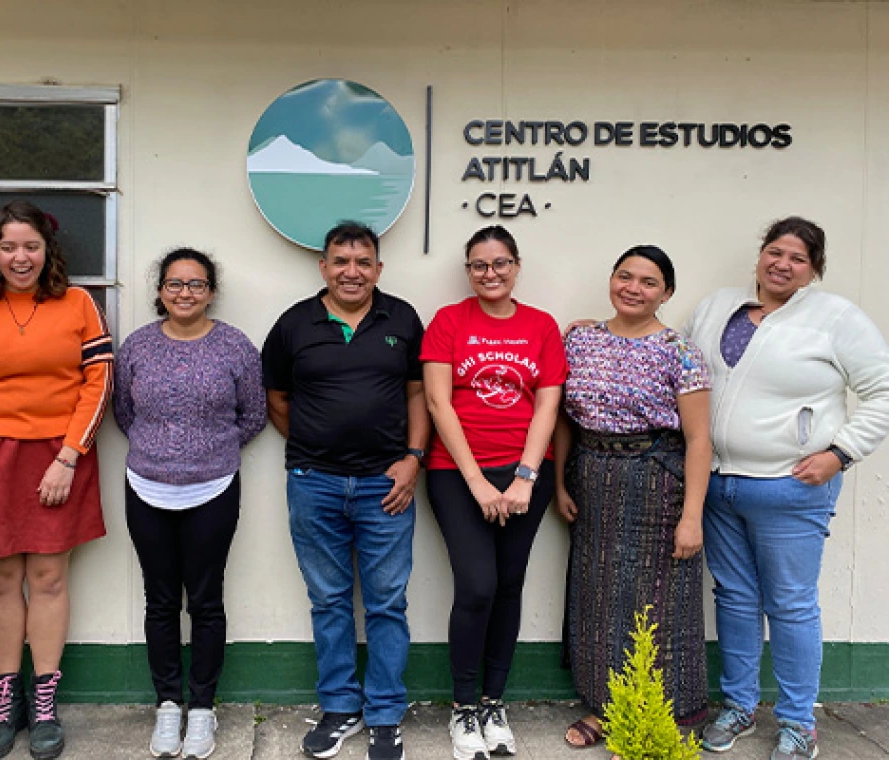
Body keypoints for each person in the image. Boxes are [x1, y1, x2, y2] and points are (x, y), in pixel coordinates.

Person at [684, 217, 889, 760]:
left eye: (798, 258)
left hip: (790, 489)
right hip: (719, 484)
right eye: (775, 252)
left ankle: (799, 722)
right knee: (734, 598)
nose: (782, 264)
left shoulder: (835, 318)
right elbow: (674, 360)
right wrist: (601, 328)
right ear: (759, 256)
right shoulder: (716, 306)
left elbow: (883, 390)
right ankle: (739, 708)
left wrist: (840, 453)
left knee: (792, 604)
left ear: (814, 270)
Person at [0, 200, 112, 760]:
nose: (21, 257)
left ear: (47, 251)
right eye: (9, 247)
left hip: (59, 456)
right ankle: (4, 698)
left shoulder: (78, 304)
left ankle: (44, 701)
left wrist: (69, 456)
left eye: (31, 246)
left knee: (48, 577)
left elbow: (98, 382)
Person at [261, 221, 428, 760]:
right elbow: (279, 400)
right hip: (314, 485)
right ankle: (339, 707)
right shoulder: (293, 324)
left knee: (387, 603)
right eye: (341, 261)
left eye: (362, 262)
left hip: (388, 485)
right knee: (328, 600)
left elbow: (418, 396)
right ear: (324, 267)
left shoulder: (401, 318)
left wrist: (412, 460)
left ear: (378, 268)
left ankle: (384, 713)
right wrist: (319, 450)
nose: (351, 272)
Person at [553, 245, 712, 750]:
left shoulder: (680, 351)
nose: (634, 288)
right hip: (592, 475)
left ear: (666, 293)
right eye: (625, 276)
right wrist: (559, 482)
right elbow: (563, 419)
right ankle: (605, 707)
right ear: (611, 280)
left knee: (659, 598)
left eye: (648, 282)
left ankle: (667, 708)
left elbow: (700, 440)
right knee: (598, 596)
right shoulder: (579, 339)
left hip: (657, 479)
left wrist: (692, 516)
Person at [421, 224, 567, 760]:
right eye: (480, 265)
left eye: (501, 263)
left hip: (527, 473)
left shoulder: (541, 326)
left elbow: (548, 405)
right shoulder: (448, 321)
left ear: (516, 265)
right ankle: (463, 707)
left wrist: (525, 476)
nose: (491, 273)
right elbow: (439, 405)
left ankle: (492, 702)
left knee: (508, 585)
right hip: (456, 473)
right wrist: (479, 481)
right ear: (468, 271)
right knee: (477, 585)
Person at [113, 248, 266, 759]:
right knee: (159, 601)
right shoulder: (135, 346)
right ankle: (168, 706)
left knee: (205, 600)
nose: (185, 293)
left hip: (214, 488)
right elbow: (124, 412)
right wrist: (163, 453)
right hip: (147, 487)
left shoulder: (235, 346)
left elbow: (254, 414)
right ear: (160, 291)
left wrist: (207, 451)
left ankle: (202, 707)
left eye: (196, 284)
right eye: (175, 284)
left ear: (211, 291)